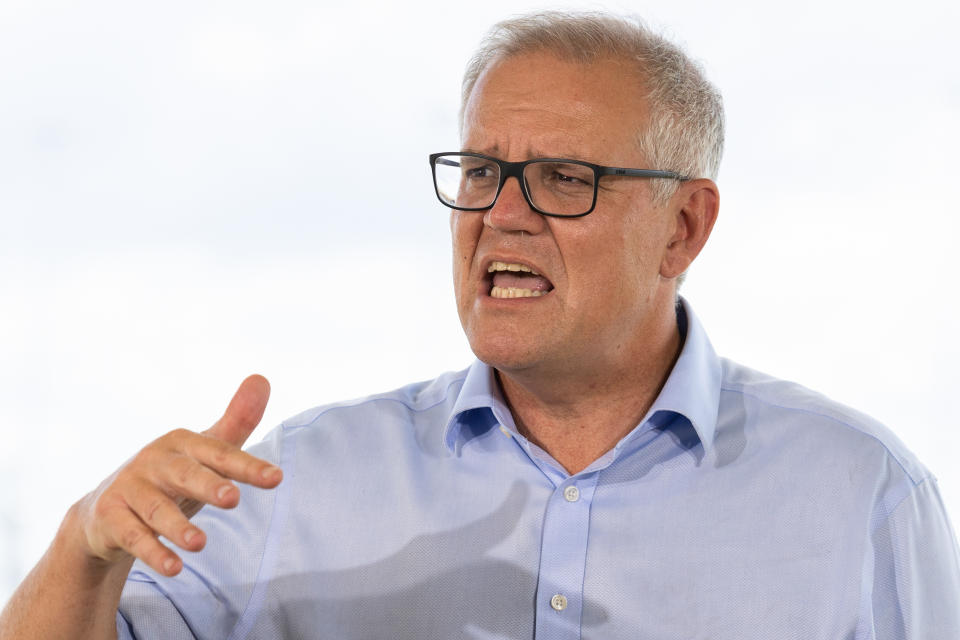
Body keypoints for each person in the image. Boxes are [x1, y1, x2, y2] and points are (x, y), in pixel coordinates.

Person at [2, 10, 959, 639]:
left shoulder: (861, 495)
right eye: (481, 171)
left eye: (563, 178)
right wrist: (87, 545)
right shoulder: (299, 484)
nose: (502, 212)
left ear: (683, 227)